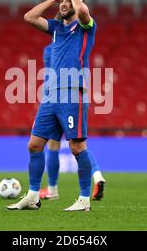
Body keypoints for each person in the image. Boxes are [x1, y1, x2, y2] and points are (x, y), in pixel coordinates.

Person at [8, 0, 97, 211]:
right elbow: (29, 17)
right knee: (35, 145)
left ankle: (84, 199)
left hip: (71, 92)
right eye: (62, 2)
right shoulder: (56, 29)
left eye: (68, 2)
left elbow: (84, 12)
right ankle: (32, 196)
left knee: (77, 147)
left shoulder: (86, 27)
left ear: (78, 3)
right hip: (51, 95)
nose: (63, 5)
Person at [39, 44, 105, 201]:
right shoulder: (79, 47)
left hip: (57, 99)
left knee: (53, 145)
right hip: (79, 98)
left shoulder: (50, 50)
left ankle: (53, 189)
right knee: (80, 144)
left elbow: (50, 75)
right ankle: (98, 176)